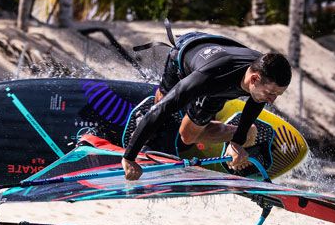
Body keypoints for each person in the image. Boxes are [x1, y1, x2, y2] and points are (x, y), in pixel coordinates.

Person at [122, 33, 291, 181]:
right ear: (254, 79)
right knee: (163, 102)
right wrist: (129, 157)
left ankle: (243, 131)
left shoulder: (264, 70)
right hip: (184, 54)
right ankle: (151, 138)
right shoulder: (209, 77)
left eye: (277, 94)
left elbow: (254, 104)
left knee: (187, 136)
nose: (272, 100)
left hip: (217, 79)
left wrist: (238, 141)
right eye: (271, 93)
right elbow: (160, 109)